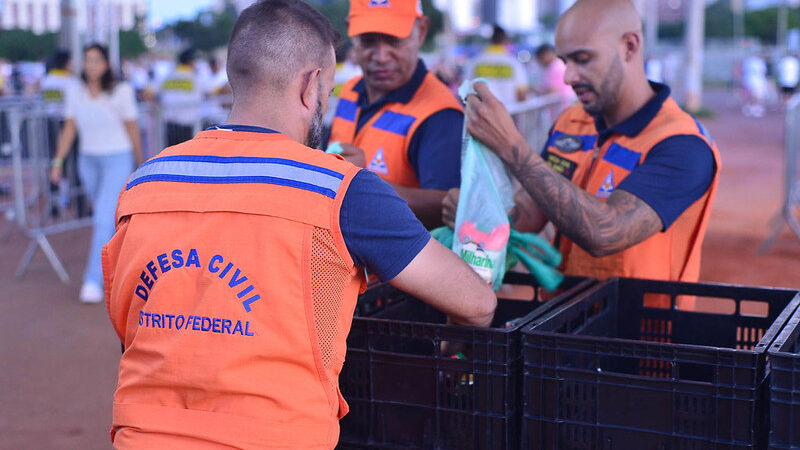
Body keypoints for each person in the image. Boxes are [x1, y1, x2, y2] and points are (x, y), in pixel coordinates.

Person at [102, 1, 495, 448]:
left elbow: (130, 321)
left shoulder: (145, 181)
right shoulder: (339, 190)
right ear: (312, 86)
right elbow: (476, 303)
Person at [445, 0, 719, 296]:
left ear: (629, 46)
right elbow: (528, 216)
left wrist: (512, 147)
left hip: (641, 334)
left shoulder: (683, 144)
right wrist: (477, 214)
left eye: (583, 59)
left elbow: (606, 232)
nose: (568, 77)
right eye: (565, 61)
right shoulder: (570, 121)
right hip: (560, 322)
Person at [329, 0, 464, 228]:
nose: (381, 56)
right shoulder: (349, 91)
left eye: (394, 40)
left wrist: (363, 182)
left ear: (421, 32)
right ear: (351, 30)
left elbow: (447, 207)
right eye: (368, 41)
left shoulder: (439, 113)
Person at [49, 44, 143, 303]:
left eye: (97, 60)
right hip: (87, 161)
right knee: (106, 220)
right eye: (87, 59)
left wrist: (141, 163)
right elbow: (69, 128)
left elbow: (132, 128)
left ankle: (93, 280)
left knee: (103, 219)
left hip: (118, 158)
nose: (91, 64)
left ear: (107, 64)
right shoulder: (74, 91)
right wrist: (57, 162)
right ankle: (122, 264)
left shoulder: (121, 91)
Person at [465, 25, 528, 108]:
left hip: (482, 115)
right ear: (505, 40)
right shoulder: (514, 63)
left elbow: (466, 91)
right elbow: (521, 94)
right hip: (508, 113)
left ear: (491, 40)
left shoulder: (475, 62)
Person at [159, 48, 211, 146]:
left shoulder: (168, 76)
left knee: (171, 156)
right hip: (188, 124)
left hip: (169, 124)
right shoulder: (194, 77)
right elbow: (212, 90)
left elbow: (149, 92)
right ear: (191, 61)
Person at [533, 43, 576, 111]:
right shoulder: (555, 65)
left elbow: (553, 91)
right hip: (562, 108)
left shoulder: (556, 67)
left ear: (547, 54)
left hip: (562, 108)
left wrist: (538, 91)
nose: (541, 61)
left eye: (541, 58)